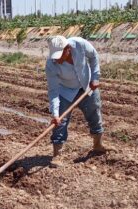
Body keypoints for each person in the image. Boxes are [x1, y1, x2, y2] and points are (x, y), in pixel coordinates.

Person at [46, 35, 111, 167]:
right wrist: (55, 114)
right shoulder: (51, 64)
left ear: (68, 49)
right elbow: (53, 91)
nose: (57, 59)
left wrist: (95, 77)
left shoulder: (80, 44)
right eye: (55, 56)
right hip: (65, 91)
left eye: (60, 55)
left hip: (87, 86)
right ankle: (57, 155)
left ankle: (98, 145)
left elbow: (93, 57)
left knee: (94, 112)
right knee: (60, 122)